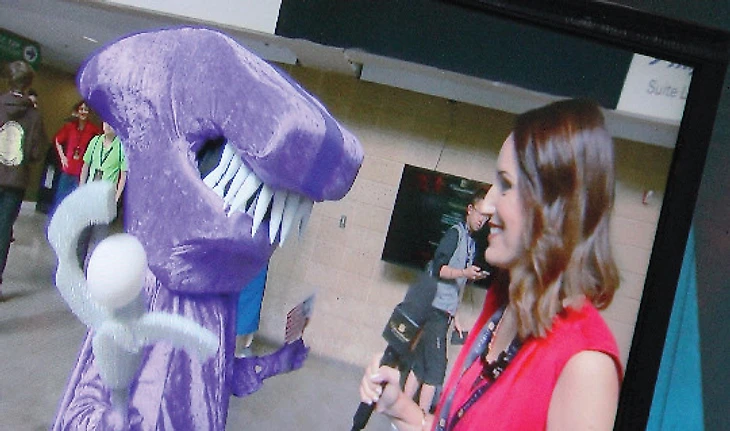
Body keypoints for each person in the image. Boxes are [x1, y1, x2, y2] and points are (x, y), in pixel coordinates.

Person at [359, 99, 622, 431]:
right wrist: (400, 408)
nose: (486, 206)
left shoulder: (586, 367)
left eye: (507, 186)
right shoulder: (505, 298)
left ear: (557, 208)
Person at [402, 188, 491, 413]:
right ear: (469, 209)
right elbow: (439, 269)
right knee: (436, 369)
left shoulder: (471, 243)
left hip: (445, 311)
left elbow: (457, 287)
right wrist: (464, 273)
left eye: (487, 217)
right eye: (480, 213)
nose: (482, 220)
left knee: (421, 364)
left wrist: (456, 316)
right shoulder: (455, 234)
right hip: (435, 310)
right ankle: (422, 419)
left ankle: (401, 410)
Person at [0, 61, 46, 288]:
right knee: (3, 231)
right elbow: (37, 153)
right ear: (28, 84)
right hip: (16, 182)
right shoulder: (34, 116)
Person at [77, 121, 127, 267]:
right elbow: (85, 166)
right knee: (82, 236)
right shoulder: (95, 142)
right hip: (89, 195)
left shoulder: (121, 147)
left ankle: (93, 270)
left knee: (99, 239)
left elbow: (123, 175)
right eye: (105, 122)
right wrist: (81, 187)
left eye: (111, 123)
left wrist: (116, 198)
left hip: (105, 199)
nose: (107, 126)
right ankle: (77, 268)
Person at [51, 100, 100, 213]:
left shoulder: (93, 130)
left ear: (89, 113)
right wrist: (63, 157)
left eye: (86, 110)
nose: (83, 112)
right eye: (81, 109)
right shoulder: (70, 127)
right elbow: (57, 140)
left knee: (75, 201)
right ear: (77, 111)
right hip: (67, 169)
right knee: (60, 199)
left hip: (81, 172)